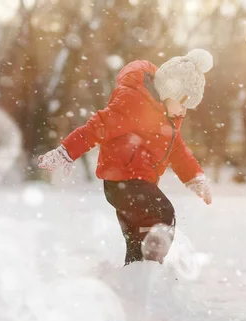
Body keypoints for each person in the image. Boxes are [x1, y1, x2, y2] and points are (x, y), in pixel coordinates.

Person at [38, 49, 213, 265]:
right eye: (183, 103)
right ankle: (152, 265)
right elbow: (96, 128)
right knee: (162, 213)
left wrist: (195, 177)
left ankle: (136, 274)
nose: (184, 112)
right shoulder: (132, 103)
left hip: (136, 184)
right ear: (170, 91)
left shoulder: (167, 119)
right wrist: (66, 152)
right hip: (123, 181)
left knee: (136, 238)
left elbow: (178, 150)